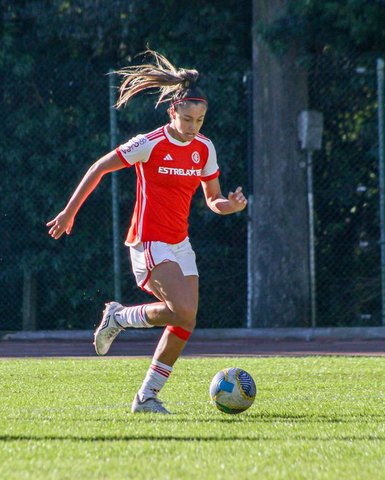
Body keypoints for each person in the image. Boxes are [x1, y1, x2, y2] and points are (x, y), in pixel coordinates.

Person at [47, 50, 248, 414]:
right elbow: (98, 168)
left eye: (200, 120)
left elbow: (213, 198)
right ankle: (119, 317)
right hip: (148, 241)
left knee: (186, 321)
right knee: (181, 309)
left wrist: (230, 206)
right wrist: (69, 211)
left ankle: (146, 397)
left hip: (180, 243)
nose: (193, 127)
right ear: (172, 113)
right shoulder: (150, 142)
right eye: (187, 119)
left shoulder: (204, 149)